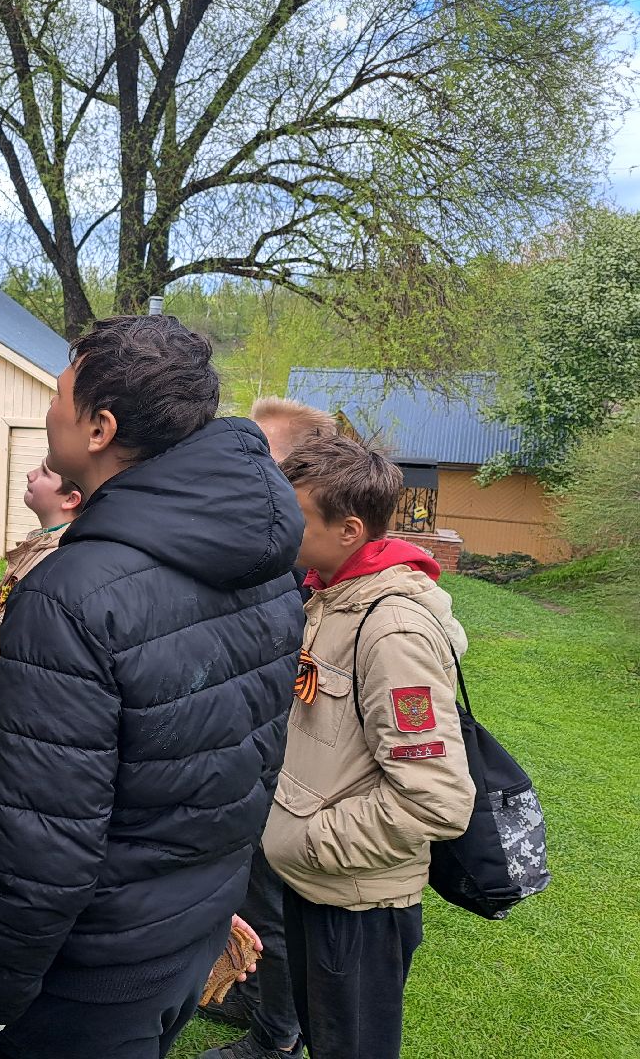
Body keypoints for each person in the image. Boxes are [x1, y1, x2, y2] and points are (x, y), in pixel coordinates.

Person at [0, 314, 305, 1059]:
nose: (49, 410)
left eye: (58, 396)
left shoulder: (70, 596)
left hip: (95, 975)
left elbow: (44, 845)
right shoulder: (263, 562)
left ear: (100, 428)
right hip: (188, 932)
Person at [263, 434, 474, 1059]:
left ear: (349, 530)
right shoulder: (331, 598)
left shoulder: (392, 630)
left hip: (355, 902)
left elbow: (436, 800)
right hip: (316, 886)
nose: (278, 525)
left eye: (295, 515)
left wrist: (305, 840)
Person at [198, 398, 337, 1059]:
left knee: (270, 897)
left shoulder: (307, 565)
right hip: (253, 751)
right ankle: (257, 996)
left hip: (287, 765)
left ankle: (277, 1035)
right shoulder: (272, 547)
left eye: (265, 457)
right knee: (248, 886)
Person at [0, 461, 83, 765]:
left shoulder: (54, 561)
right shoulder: (39, 547)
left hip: (11, 732)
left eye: (45, 473)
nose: (30, 474)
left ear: (70, 499)